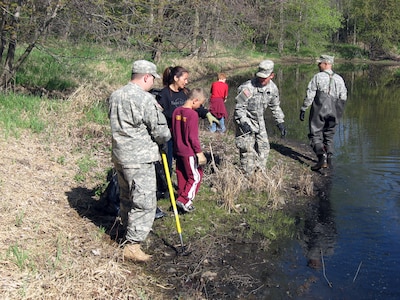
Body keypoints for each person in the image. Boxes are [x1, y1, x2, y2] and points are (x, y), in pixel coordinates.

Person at [108, 59, 171, 262]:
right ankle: (133, 245)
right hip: (140, 159)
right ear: (146, 77)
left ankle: (125, 231)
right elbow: (161, 132)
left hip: (120, 156)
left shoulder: (115, 95)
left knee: (126, 197)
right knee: (143, 202)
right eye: (153, 79)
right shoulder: (145, 100)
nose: (153, 83)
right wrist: (164, 138)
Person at [156, 66, 219, 172]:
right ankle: (165, 186)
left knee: (184, 162)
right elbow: (161, 115)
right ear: (176, 78)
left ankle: (183, 184)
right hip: (170, 136)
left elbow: (196, 106)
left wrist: (207, 114)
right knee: (167, 163)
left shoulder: (185, 92)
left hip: (183, 135)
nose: (186, 82)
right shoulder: (163, 95)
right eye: (184, 79)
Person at [234, 60, 286, 176]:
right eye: (260, 77)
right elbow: (239, 108)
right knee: (247, 149)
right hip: (245, 120)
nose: (261, 80)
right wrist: (243, 122)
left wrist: (280, 122)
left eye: (265, 77)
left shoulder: (272, 88)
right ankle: (247, 176)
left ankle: (259, 174)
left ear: (272, 75)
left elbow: (275, 106)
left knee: (264, 148)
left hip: (259, 121)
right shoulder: (247, 88)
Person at [299, 55, 347, 171]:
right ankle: (329, 162)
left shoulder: (317, 77)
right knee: (329, 135)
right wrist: (338, 113)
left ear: (326, 63)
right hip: (335, 110)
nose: (318, 65)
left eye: (319, 63)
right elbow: (344, 97)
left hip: (319, 109)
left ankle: (322, 157)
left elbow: (310, 95)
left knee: (315, 134)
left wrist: (304, 108)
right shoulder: (339, 79)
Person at [172, 88, 207, 213]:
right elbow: (193, 136)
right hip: (189, 151)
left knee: (182, 175)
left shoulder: (176, 111)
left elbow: (174, 131)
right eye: (200, 104)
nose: (200, 107)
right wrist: (199, 153)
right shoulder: (192, 114)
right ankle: (185, 199)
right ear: (195, 100)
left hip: (178, 150)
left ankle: (181, 196)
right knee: (196, 176)